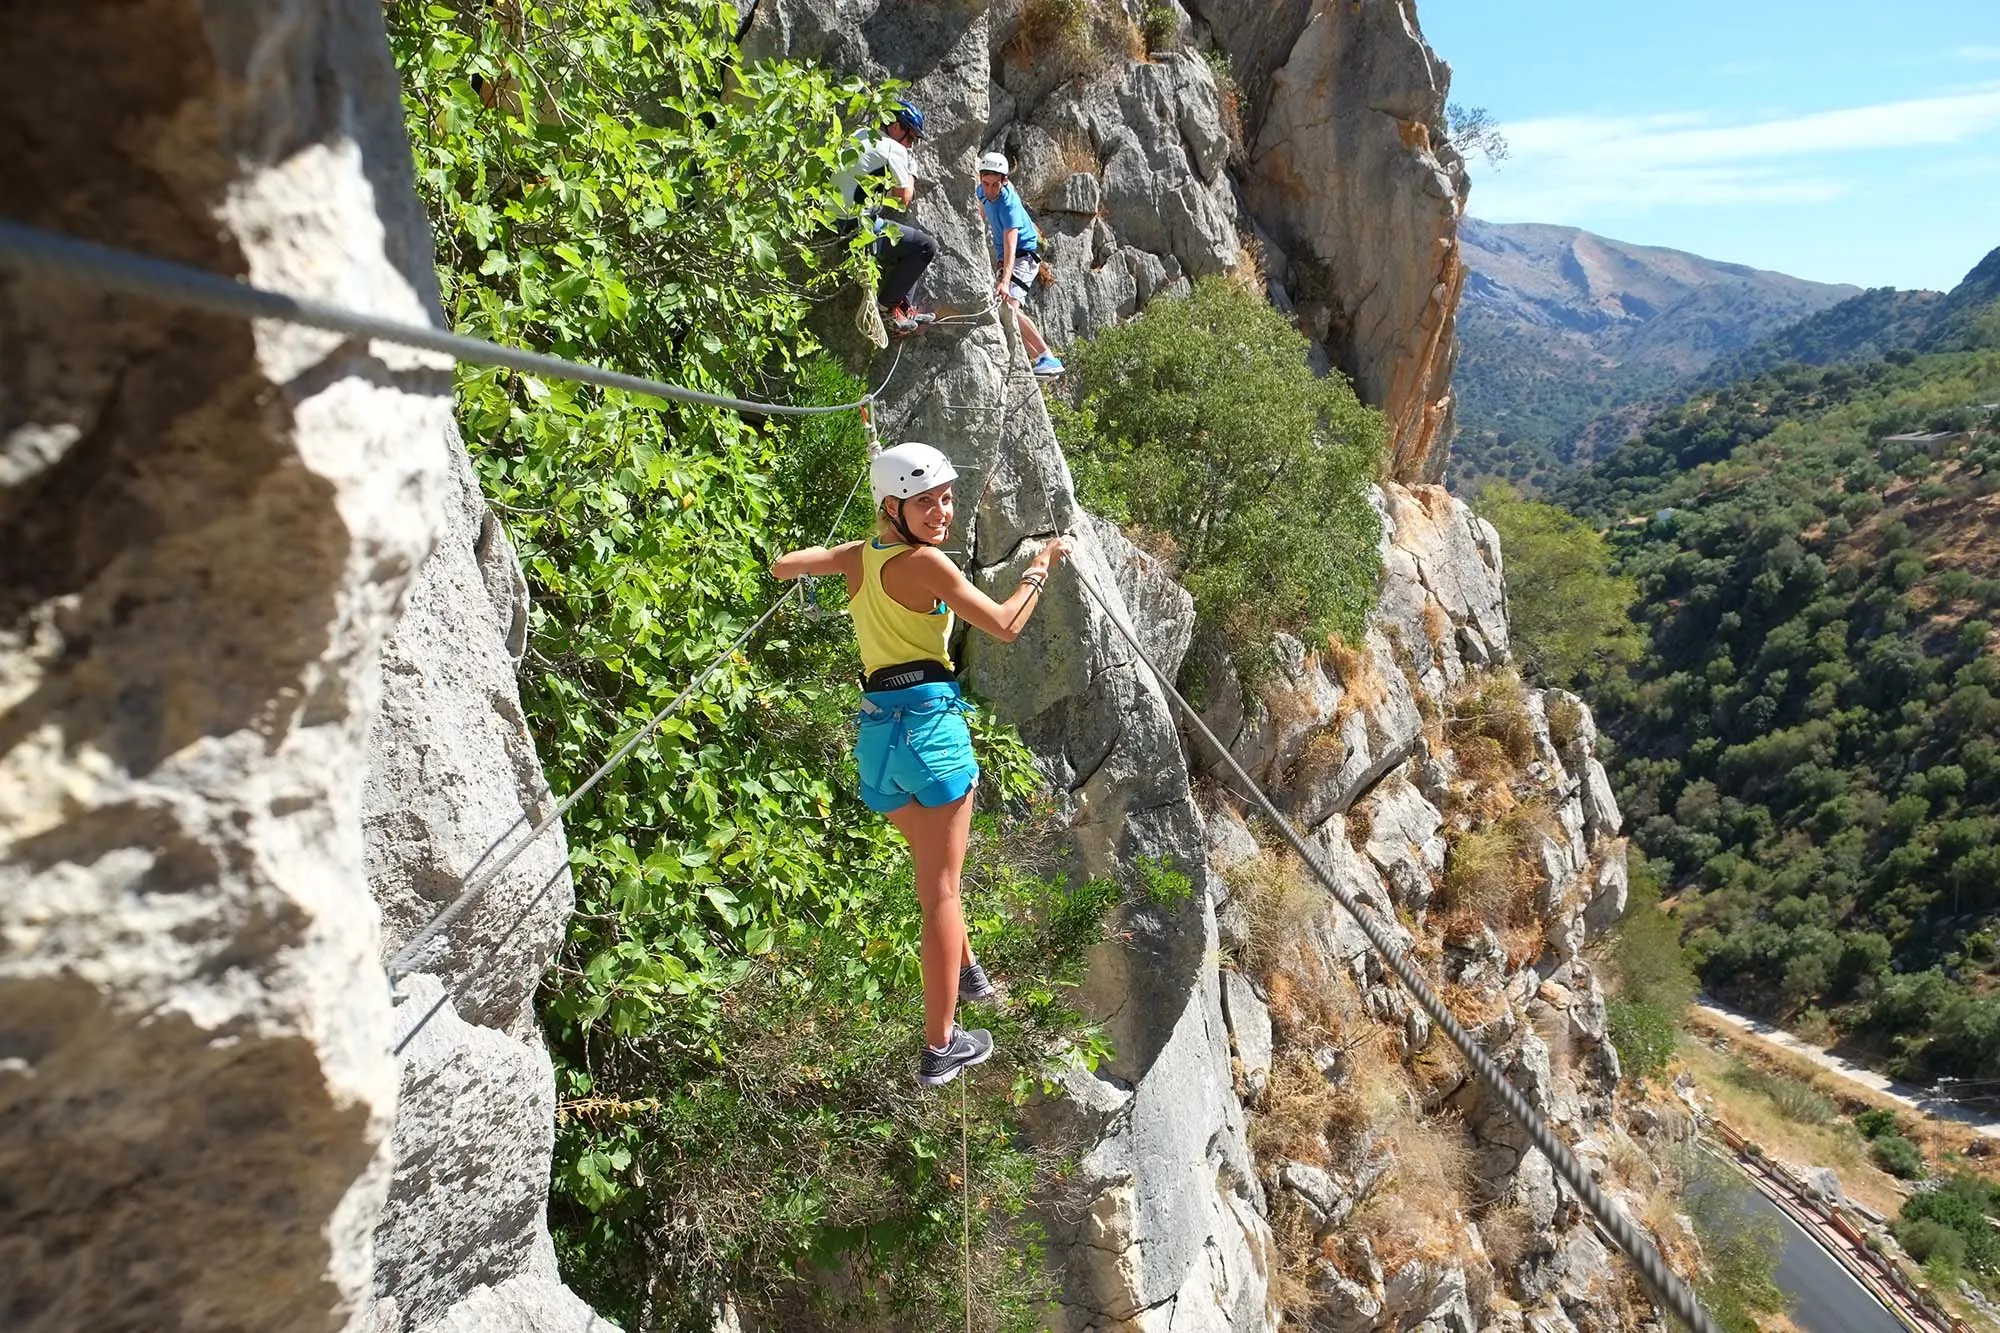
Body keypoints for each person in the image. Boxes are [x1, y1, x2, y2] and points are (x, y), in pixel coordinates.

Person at [770, 442, 1073, 1085]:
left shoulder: (860, 557)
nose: (942, 511)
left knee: (934, 868)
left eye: (945, 497)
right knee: (941, 890)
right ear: (894, 506)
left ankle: (965, 971)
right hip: (930, 735)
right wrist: (1040, 565)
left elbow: (783, 565)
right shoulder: (926, 564)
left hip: (879, 746)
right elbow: (1004, 624)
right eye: (926, 501)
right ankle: (941, 1046)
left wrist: (869, 529)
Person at [833, 101, 938, 336]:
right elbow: (903, 199)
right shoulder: (893, 148)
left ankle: (903, 308)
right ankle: (887, 310)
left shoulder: (860, 133)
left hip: (832, 220)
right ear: (895, 127)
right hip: (857, 228)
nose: (910, 145)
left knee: (904, 237)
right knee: (925, 246)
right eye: (910, 137)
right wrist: (911, 171)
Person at [974, 152, 1063, 377]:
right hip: (1007, 257)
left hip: (1023, 256)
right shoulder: (981, 193)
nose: (990, 190)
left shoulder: (1009, 204)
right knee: (1004, 310)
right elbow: (982, 217)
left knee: (1011, 306)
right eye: (986, 183)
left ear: (1004, 181)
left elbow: (1011, 243)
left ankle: (1047, 357)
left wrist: (1005, 279)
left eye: (996, 185)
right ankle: (1038, 359)